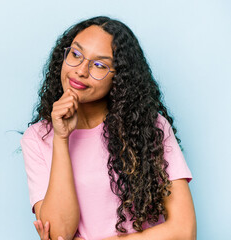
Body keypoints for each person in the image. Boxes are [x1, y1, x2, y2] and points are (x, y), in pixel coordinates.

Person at [20, 16, 196, 240]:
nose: (81, 71)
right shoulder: (37, 138)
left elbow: (184, 231)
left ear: (119, 78)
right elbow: (58, 234)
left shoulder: (150, 127)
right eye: (75, 54)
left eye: (100, 65)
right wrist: (61, 139)